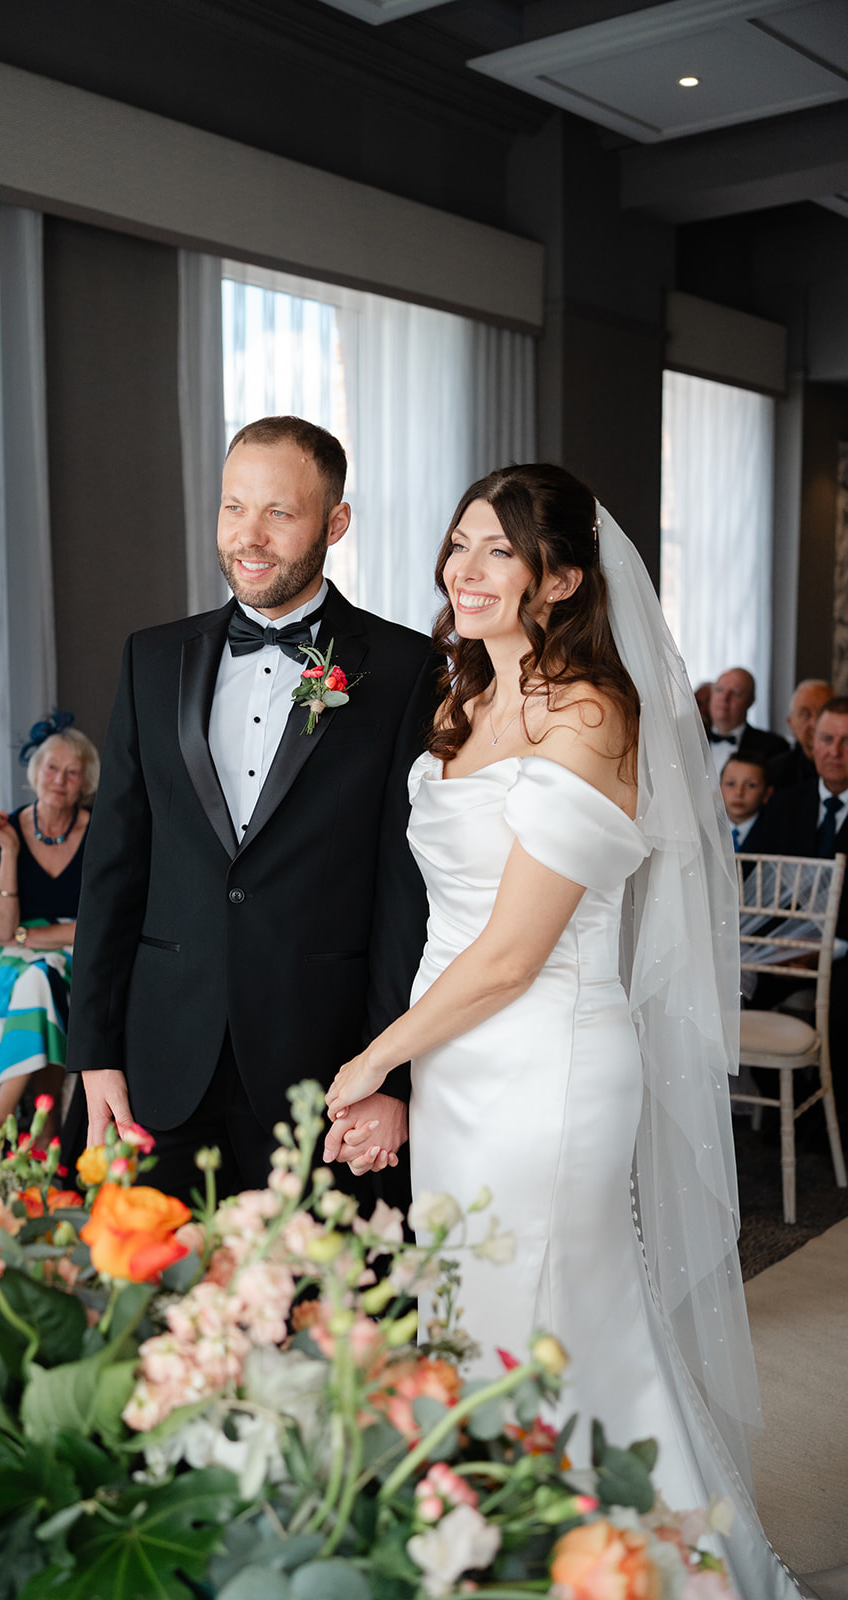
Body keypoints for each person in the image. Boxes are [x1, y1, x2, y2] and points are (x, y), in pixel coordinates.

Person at [325, 464, 805, 1596]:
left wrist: (370, 1056)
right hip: (457, 1066)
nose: (464, 571)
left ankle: (631, 1566)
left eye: (496, 551)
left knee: (554, 1325)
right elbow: (448, 935)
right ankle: (515, 1554)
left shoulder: (589, 709)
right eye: (456, 546)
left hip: (548, 1065)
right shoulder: (466, 698)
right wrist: (407, 1074)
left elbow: (509, 952)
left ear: (563, 578)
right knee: (474, 1317)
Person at [65, 415, 439, 1203]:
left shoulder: (405, 668)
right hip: (159, 1060)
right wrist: (94, 1051)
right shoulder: (150, 658)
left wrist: (387, 1071)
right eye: (234, 507)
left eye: (280, 511)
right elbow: (113, 867)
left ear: (335, 523)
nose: (250, 535)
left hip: (323, 1072)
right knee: (152, 1306)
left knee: (309, 1313)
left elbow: (404, 891)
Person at [0, 717, 99, 1131]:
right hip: (11, 958)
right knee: (36, 980)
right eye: (51, 768)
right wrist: (9, 853)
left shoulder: (102, 833)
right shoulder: (4, 831)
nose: (59, 780)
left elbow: (101, 925)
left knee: (40, 978)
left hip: (76, 952)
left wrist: (27, 936)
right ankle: (44, 1135)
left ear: (84, 783)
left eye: (72, 772)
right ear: (35, 772)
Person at [748, 697, 848, 1127]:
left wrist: (829, 947)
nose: (835, 752)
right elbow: (754, 881)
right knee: (734, 997)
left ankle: (833, 1123)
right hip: (779, 950)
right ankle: (784, 1117)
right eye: (826, 739)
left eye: (847, 742)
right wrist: (779, 947)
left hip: (845, 954)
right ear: (812, 742)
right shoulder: (786, 803)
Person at [708, 666, 788, 776]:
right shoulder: (689, 739)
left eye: (735, 693)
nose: (724, 698)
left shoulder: (773, 746)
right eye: (719, 690)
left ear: (750, 701)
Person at [768, 678, 832, 790]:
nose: (815, 723)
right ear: (791, 724)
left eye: (823, 713)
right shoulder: (775, 771)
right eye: (806, 715)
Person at [720, 753, 772, 850]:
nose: (739, 793)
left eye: (751, 785)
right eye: (731, 784)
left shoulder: (776, 833)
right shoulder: (704, 830)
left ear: (767, 794)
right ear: (719, 788)